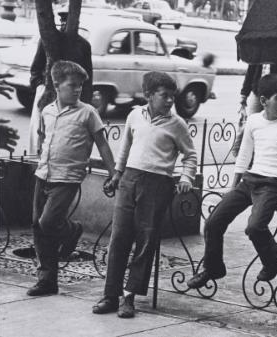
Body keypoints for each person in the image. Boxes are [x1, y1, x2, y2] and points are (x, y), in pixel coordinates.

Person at [187, 74, 277, 289]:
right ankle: (213, 267)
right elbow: (244, 154)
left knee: (254, 227)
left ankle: (272, 257)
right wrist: (234, 187)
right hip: (250, 180)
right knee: (213, 222)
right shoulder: (254, 121)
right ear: (263, 101)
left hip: (274, 183)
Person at [92, 72, 197, 319]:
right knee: (119, 238)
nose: (170, 100)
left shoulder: (177, 124)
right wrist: (117, 174)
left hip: (158, 185)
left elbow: (190, 154)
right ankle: (110, 295)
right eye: (164, 95)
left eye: (173, 96)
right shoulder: (134, 115)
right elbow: (126, 147)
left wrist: (186, 178)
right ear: (149, 95)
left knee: (146, 240)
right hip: (129, 179)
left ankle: (129, 297)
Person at [27, 60, 116, 297]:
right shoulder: (47, 110)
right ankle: (47, 280)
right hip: (43, 174)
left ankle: (72, 230)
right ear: (57, 84)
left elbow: (103, 145)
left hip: (67, 178)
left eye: (80, 86)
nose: (77, 90)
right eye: (73, 85)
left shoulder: (88, 113)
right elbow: (46, 139)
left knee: (48, 223)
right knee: (38, 225)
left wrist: (113, 173)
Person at [29, 10, 93, 154]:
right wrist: (41, 87)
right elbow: (35, 71)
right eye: (62, 23)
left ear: (76, 24)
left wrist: (85, 100)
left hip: (72, 99)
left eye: (68, 23)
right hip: (47, 94)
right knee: (39, 135)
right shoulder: (48, 41)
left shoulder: (83, 46)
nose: (65, 27)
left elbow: (88, 79)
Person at [232, 63, 277, 157]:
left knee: (272, 125)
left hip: (275, 94)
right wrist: (244, 95)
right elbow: (250, 73)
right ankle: (240, 149)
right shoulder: (258, 50)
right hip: (257, 92)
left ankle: (262, 154)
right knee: (251, 122)